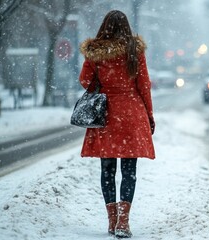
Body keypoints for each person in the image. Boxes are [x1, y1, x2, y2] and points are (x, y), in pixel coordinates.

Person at [78, 10, 155, 238]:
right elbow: (145, 85)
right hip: (131, 113)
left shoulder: (95, 52)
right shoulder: (134, 51)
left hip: (106, 116)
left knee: (107, 169)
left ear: (104, 27)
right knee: (129, 170)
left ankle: (112, 222)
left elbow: (85, 81)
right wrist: (149, 115)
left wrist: (101, 82)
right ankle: (124, 222)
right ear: (126, 27)